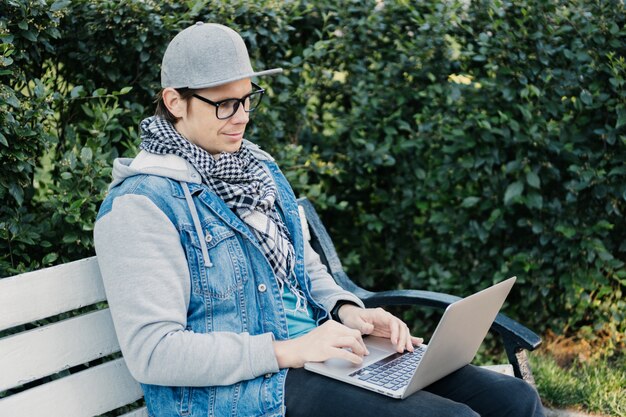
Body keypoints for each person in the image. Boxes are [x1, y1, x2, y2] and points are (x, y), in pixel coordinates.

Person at [94, 22, 545, 417]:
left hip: (321, 356)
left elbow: (303, 270)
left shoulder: (256, 167)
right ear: (175, 102)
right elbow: (154, 353)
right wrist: (289, 350)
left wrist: (349, 311)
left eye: (249, 100)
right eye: (225, 104)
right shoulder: (141, 205)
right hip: (246, 393)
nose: (243, 118)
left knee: (513, 401)